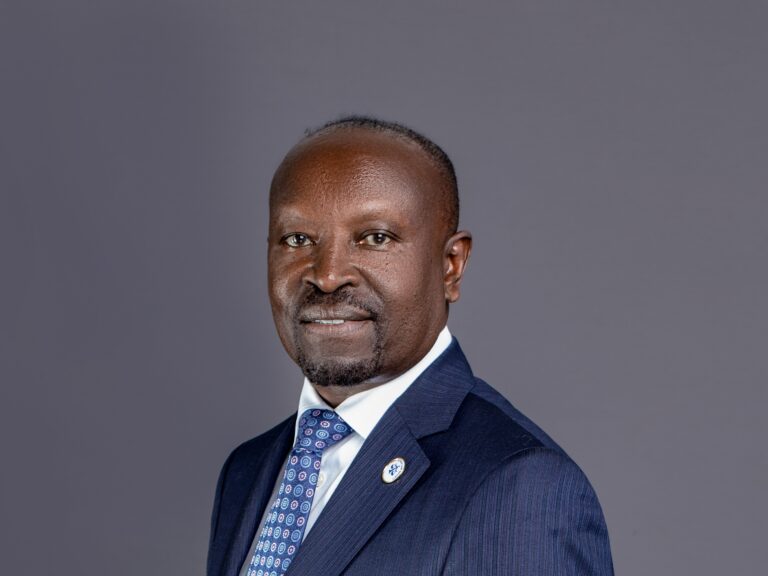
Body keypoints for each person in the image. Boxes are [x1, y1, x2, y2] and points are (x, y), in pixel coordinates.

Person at [207, 116, 614, 576]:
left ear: (450, 266)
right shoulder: (248, 470)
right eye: (297, 239)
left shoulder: (519, 486)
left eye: (375, 238)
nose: (326, 274)